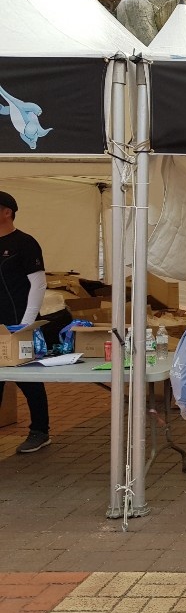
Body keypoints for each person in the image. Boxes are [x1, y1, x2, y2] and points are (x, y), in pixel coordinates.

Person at [0, 191, 50, 454]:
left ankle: (40, 431)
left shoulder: (25, 243)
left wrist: (26, 322)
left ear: (7, 212)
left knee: (28, 379)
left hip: (18, 322)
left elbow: (38, 284)